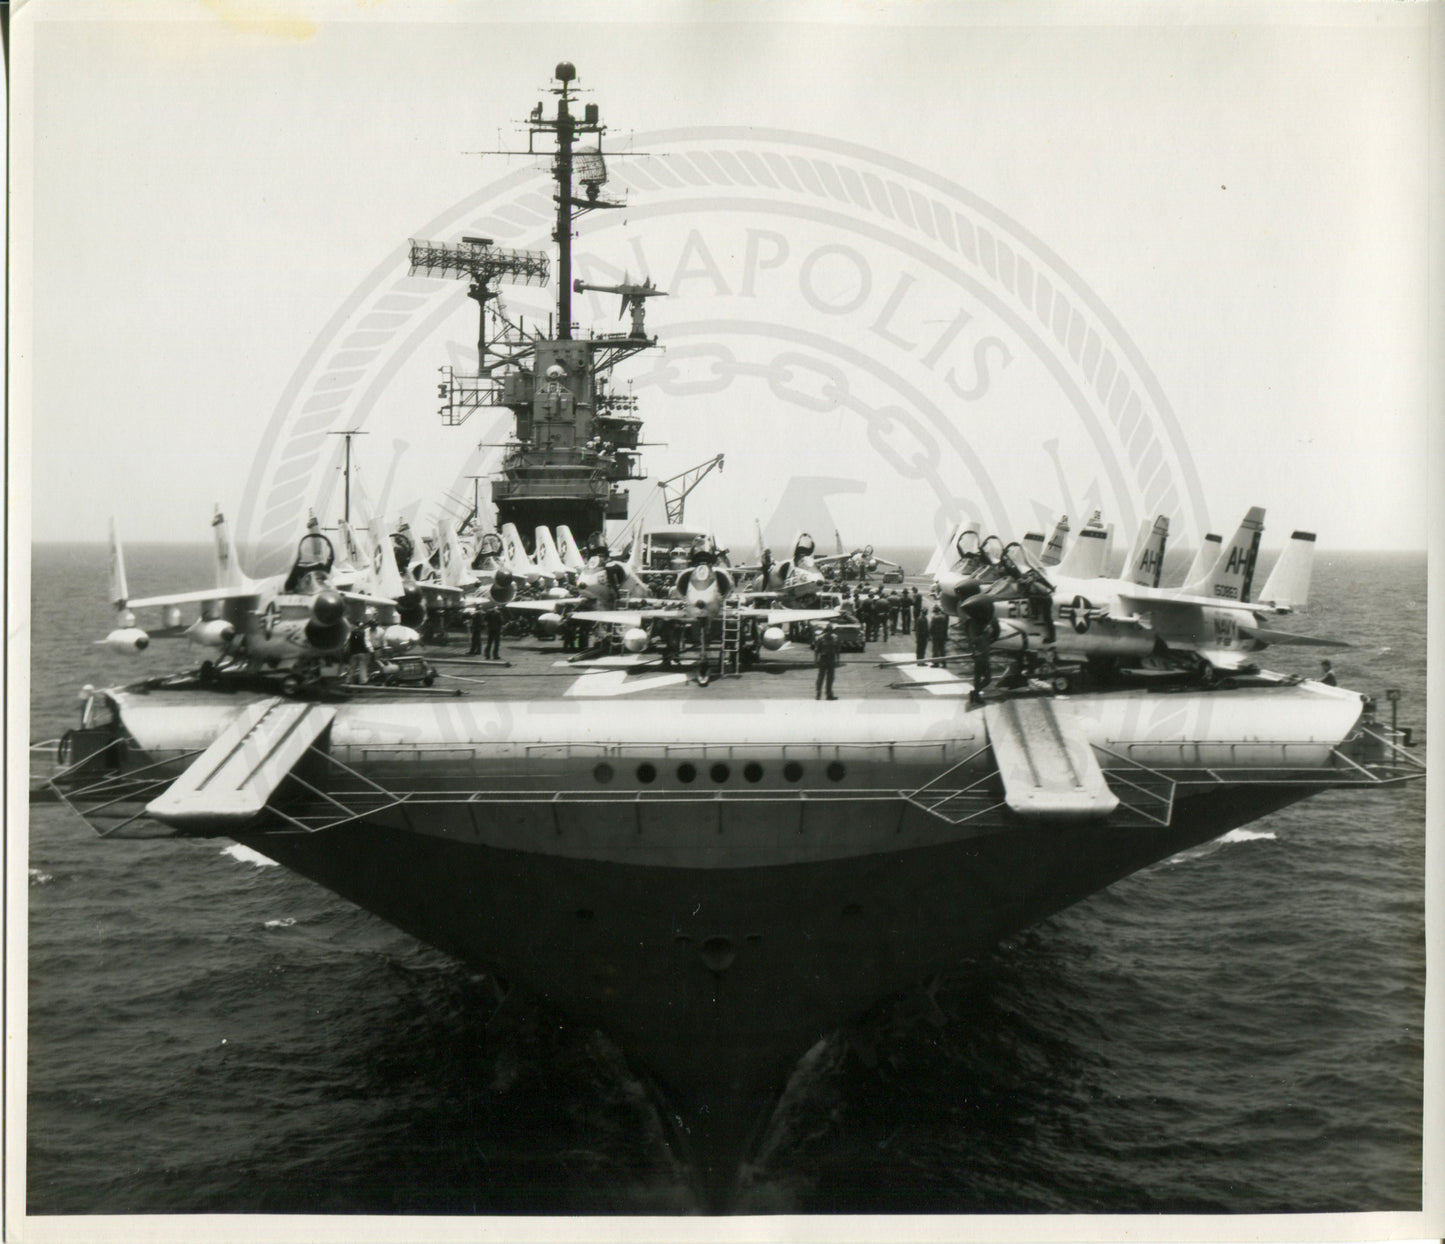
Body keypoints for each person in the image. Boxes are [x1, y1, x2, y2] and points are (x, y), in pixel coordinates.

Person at [963, 597, 1000, 705]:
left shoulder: (975, 624)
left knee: (979, 678)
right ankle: (975, 694)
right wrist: (986, 634)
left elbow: (993, 635)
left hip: (980, 655)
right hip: (981, 656)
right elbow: (975, 639)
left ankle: (975, 694)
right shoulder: (977, 627)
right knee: (986, 678)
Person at [814, 621, 840, 700]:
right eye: (828, 630)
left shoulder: (835, 638)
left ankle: (829, 694)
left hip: (831, 659)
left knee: (830, 678)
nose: (829, 632)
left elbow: (837, 650)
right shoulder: (820, 638)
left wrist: (837, 660)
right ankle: (818, 693)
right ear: (826, 630)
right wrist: (816, 660)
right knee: (821, 677)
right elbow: (816, 650)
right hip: (823, 659)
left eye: (831, 630)